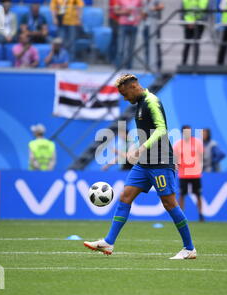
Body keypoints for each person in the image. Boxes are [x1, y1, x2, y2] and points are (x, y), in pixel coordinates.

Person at [84, 74, 197, 260]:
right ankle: (109, 242)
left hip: (160, 162)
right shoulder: (138, 106)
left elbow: (161, 129)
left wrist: (142, 147)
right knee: (125, 196)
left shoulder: (152, 101)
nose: (124, 98)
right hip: (144, 162)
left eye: (124, 93)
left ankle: (189, 248)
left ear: (133, 86)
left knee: (169, 203)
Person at [173, 125, 205, 222]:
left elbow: (201, 156)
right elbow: (175, 159)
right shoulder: (178, 144)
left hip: (196, 174)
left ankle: (201, 214)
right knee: (182, 195)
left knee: (198, 195)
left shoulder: (197, 143)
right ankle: (181, 216)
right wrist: (176, 166)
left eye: (189, 131)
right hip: (183, 174)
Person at [114, 0, 144, 69]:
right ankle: (118, 66)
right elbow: (116, 11)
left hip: (133, 25)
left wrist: (138, 19)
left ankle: (129, 67)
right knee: (121, 48)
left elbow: (141, 11)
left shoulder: (138, 1)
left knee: (131, 48)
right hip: (123, 25)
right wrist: (125, 12)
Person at [181, 0, 209, 66]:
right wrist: (187, 23)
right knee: (187, 44)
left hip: (199, 25)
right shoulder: (185, 1)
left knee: (196, 44)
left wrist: (200, 23)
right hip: (188, 24)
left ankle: (195, 64)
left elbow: (206, 13)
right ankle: (184, 63)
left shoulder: (204, 1)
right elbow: (182, 12)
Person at [142, 0, 164, 70]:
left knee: (156, 46)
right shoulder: (145, 2)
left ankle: (158, 65)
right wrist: (144, 14)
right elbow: (143, 14)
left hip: (155, 26)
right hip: (147, 26)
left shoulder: (156, 1)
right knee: (147, 46)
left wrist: (154, 8)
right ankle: (147, 65)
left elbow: (162, 6)